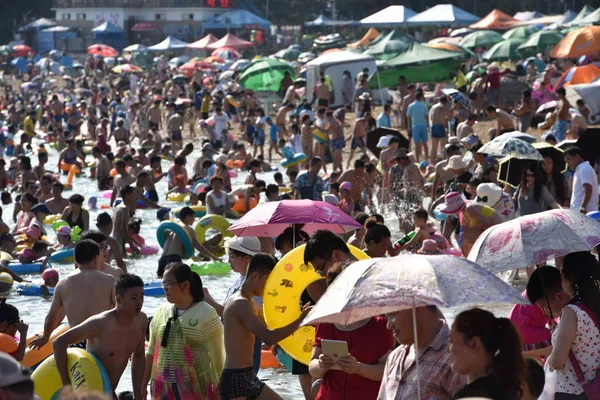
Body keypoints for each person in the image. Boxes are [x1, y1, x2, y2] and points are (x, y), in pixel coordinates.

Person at [220, 254, 311, 400]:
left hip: (249, 376)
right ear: (255, 276)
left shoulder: (251, 303)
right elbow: (268, 337)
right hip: (235, 378)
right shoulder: (240, 303)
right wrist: (300, 320)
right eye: (267, 281)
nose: (268, 287)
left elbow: (274, 325)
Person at [309, 262, 394, 399]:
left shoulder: (380, 326)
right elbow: (313, 368)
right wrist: (321, 364)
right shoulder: (325, 322)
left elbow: (387, 371)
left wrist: (359, 368)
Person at [53, 274, 147, 397]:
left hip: (109, 391)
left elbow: (139, 355)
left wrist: (138, 394)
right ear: (118, 299)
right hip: (91, 392)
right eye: (134, 298)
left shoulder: (141, 320)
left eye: (142, 296)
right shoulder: (100, 323)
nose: (139, 302)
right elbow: (58, 343)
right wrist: (66, 383)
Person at [143, 262, 224, 399]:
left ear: (185, 285)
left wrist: (219, 389)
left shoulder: (206, 313)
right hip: (163, 387)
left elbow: (218, 356)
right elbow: (151, 352)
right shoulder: (161, 313)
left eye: (169, 284)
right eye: (163, 284)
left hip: (197, 387)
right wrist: (143, 385)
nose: (165, 289)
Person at [29, 240, 115, 350]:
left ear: (75, 260)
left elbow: (51, 317)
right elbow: (121, 310)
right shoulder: (109, 280)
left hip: (76, 341)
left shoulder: (63, 284)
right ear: (96, 258)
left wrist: (45, 337)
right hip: (102, 340)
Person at [378, 305, 465, 399]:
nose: (388, 326)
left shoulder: (457, 356)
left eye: (392, 314)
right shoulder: (395, 357)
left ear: (418, 308)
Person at [548, 251, 600, 399]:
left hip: (574, 392)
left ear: (567, 277)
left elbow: (558, 362)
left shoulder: (572, 312)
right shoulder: (595, 306)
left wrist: (550, 359)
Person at [450, 308, 525, 399]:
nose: (448, 349)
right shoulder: (507, 388)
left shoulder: (472, 396)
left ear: (474, 344)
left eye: (451, 341)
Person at [157, 207, 216, 277]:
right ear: (187, 217)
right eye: (193, 217)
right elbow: (199, 247)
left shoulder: (172, 228)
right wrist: (214, 257)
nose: (194, 220)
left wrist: (194, 257)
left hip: (162, 259)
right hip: (174, 259)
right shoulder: (188, 229)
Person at [565, 147, 598, 213]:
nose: (568, 163)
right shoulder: (579, 170)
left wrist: (583, 207)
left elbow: (588, 189)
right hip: (579, 213)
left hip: (585, 213)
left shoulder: (584, 169)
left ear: (577, 156)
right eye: (566, 161)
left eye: (569, 159)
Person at [111, 186, 139, 255]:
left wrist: (135, 242)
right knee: (122, 263)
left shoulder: (118, 206)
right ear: (127, 195)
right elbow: (123, 229)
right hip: (119, 241)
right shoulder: (125, 209)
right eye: (132, 194)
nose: (134, 196)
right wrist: (131, 246)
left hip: (114, 239)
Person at [407, 92, 430, 162]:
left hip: (415, 126)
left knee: (417, 144)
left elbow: (408, 116)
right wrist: (428, 125)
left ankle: (417, 160)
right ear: (421, 97)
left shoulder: (411, 106)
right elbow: (426, 117)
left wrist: (408, 126)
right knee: (425, 143)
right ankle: (426, 159)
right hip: (423, 126)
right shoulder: (424, 106)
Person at [429, 96, 451, 163]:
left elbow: (430, 117)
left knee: (434, 147)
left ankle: (432, 162)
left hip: (433, 126)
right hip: (440, 126)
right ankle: (444, 161)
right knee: (443, 146)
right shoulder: (443, 107)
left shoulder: (433, 107)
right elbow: (449, 116)